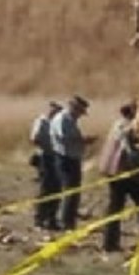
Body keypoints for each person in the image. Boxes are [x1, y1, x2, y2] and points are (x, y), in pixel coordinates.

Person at [97, 102, 139, 252]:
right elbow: (131, 151)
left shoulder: (119, 124)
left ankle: (110, 243)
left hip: (119, 172)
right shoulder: (128, 128)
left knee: (116, 207)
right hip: (126, 173)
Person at [49, 95, 91, 231]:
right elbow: (65, 138)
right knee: (70, 192)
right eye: (79, 111)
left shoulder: (70, 120)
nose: (80, 115)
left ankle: (70, 220)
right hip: (66, 159)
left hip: (72, 158)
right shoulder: (63, 119)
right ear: (74, 108)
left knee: (74, 192)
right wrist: (83, 140)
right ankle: (67, 222)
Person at [29, 100, 63, 230]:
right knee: (46, 188)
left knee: (57, 189)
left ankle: (51, 219)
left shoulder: (57, 123)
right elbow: (34, 138)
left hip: (56, 157)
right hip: (45, 157)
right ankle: (39, 218)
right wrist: (49, 145)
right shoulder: (42, 121)